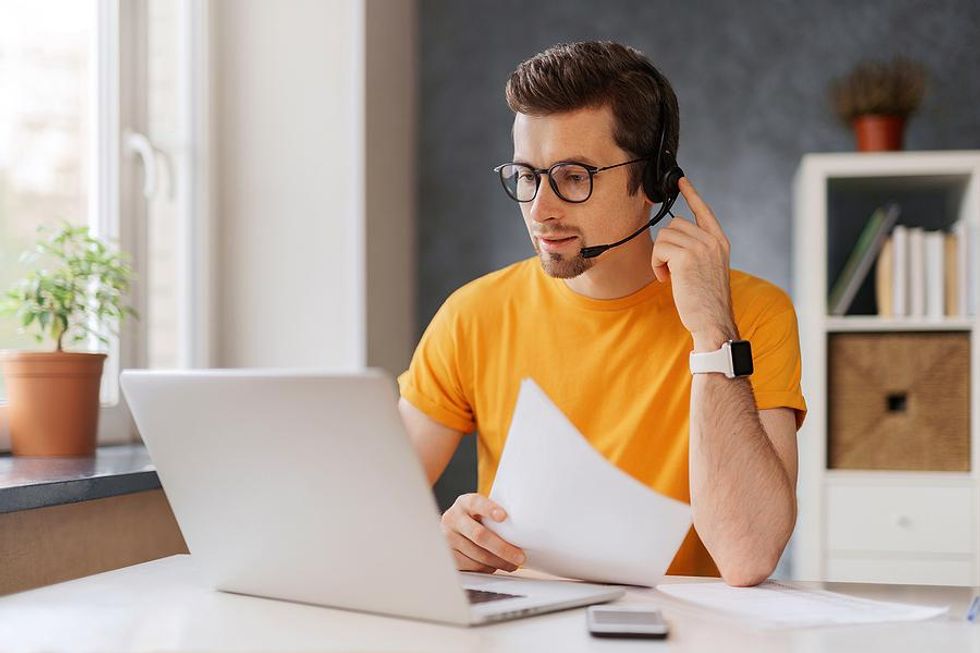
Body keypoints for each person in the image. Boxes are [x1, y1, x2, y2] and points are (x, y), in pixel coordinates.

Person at [397, 41, 806, 587]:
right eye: (526, 175)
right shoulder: (473, 314)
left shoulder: (751, 314)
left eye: (573, 176)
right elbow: (369, 516)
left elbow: (748, 554)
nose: (540, 209)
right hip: (523, 629)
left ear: (654, 180)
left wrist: (712, 332)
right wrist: (443, 541)